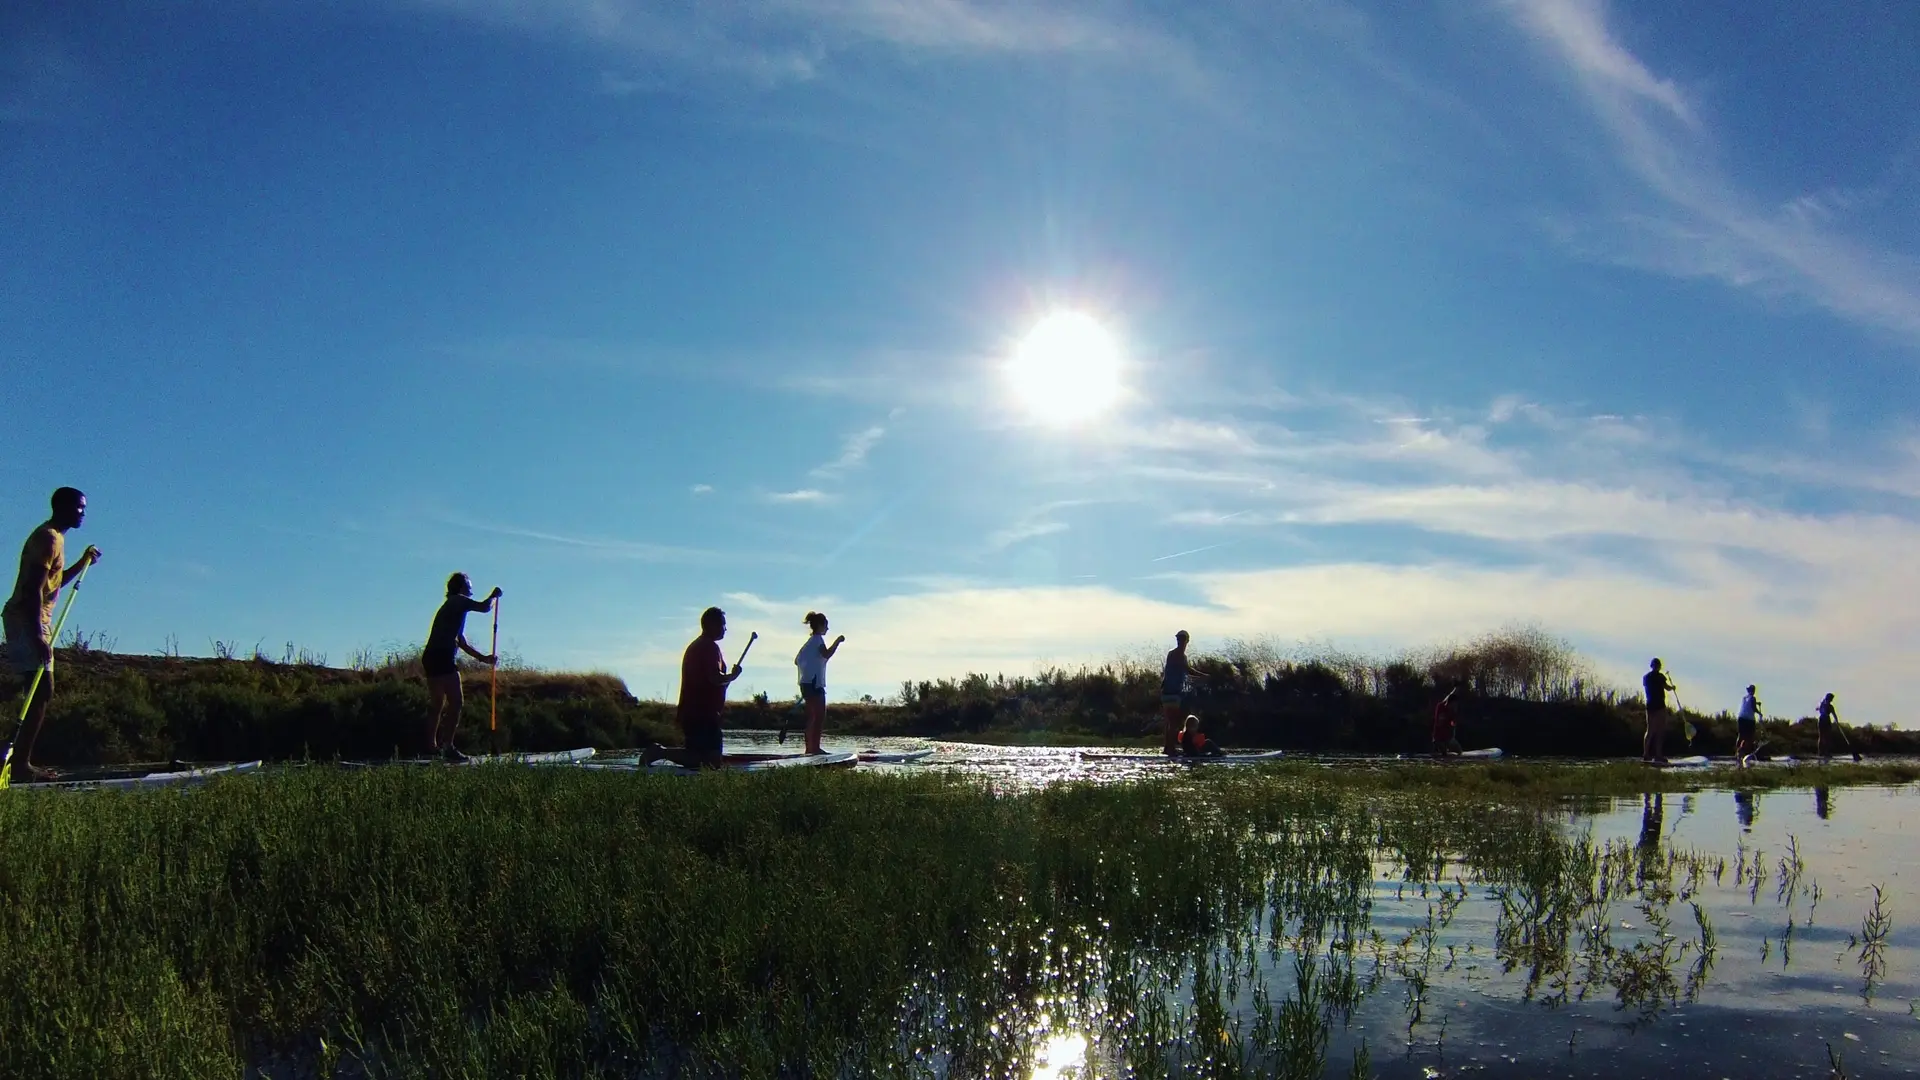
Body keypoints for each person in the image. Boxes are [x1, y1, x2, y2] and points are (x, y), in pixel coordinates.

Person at [1, 487, 102, 785]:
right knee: (41, 688)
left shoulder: (56, 539)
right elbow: (33, 588)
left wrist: (83, 563)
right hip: (26, 620)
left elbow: (52, 585)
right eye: (79, 508)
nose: (83, 513)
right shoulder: (47, 538)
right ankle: (20, 765)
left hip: (34, 620)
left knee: (40, 689)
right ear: (64, 507)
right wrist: (37, 635)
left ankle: (19, 761)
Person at [648, 607, 742, 769]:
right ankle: (659, 753)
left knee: (707, 757)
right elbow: (714, 678)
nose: (725, 629)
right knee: (706, 759)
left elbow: (713, 680)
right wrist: (732, 676)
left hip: (698, 712)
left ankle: (661, 753)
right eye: (722, 625)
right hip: (700, 712)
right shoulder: (708, 647)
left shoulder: (701, 646)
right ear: (712, 625)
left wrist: (728, 678)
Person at [422, 573, 500, 763]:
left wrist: (483, 659)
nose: (471, 590)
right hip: (441, 657)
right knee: (456, 702)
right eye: (468, 586)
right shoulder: (458, 601)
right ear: (461, 587)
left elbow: (461, 641)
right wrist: (494, 595)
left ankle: (431, 747)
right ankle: (447, 746)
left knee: (437, 704)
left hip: (432, 656)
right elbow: (484, 607)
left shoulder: (453, 607)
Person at [793, 611, 845, 756]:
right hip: (814, 683)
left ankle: (810, 748)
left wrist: (809, 667)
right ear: (820, 626)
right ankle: (814, 749)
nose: (827, 629)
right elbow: (826, 654)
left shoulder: (809, 643)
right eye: (826, 626)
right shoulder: (817, 640)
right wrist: (838, 642)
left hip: (806, 683)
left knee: (812, 716)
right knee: (819, 716)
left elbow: (797, 660)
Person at [1161, 631, 1206, 756]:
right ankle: (1170, 749)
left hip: (1166, 692)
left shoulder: (1171, 654)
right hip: (1173, 692)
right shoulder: (1180, 655)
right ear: (1186, 641)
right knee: (1173, 721)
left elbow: (1177, 671)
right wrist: (1204, 676)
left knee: (1169, 721)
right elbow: (1188, 670)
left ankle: (1167, 747)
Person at [1642, 658, 1676, 765]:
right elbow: (1667, 688)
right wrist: (1672, 687)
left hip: (1651, 705)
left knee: (1651, 730)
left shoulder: (1646, 677)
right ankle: (1657, 755)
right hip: (1658, 705)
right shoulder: (1660, 677)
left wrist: (1670, 687)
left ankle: (1647, 754)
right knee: (1658, 730)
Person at [1430, 686, 1463, 758]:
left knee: (1459, 750)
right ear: (1451, 703)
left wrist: (1454, 722)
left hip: (1448, 739)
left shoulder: (1452, 712)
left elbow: (1453, 725)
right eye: (1454, 704)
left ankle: (1455, 755)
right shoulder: (1440, 706)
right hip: (1438, 739)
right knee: (1444, 752)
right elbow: (1448, 698)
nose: (1455, 706)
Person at [1735, 684, 1762, 768]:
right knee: (1749, 737)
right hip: (1749, 719)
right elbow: (1753, 708)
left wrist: (1757, 703)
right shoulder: (1753, 698)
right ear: (1753, 691)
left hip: (1741, 717)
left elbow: (1749, 704)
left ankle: (1737, 752)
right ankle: (1744, 752)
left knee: (1741, 735)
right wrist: (1760, 713)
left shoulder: (1744, 698)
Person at [1816, 692, 1841, 762]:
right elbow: (1818, 709)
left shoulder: (1831, 707)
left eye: (1831, 699)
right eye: (1830, 699)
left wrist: (1837, 721)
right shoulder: (1822, 704)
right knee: (1821, 736)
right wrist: (1820, 707)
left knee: (1828, 737)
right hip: (1821, 721)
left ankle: (1827, 752)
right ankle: (1820, 752)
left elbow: (1834, 714)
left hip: (1827, 721)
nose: (1831, 700)